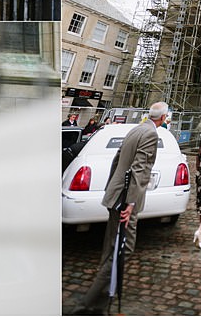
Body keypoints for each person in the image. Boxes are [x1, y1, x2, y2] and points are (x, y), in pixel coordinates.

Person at [71, 102, 167, 315]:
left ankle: (101, 303)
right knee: (123, 250)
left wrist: (111, 193)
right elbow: (140, 169)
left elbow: (117, 161)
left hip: (116, 197)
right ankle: (85, 305)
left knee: (110, 249)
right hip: (125, 201)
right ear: (164, 117)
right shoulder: (150, 134)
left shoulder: (136, 129)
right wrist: (130, 203)